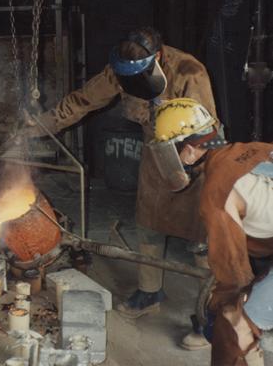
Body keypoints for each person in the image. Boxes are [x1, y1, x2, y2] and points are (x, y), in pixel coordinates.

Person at [23, 26, 217, 349]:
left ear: (157, 58)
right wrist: (41, 125)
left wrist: (188, 157)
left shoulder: (189, 72)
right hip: (157, 152)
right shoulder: (120, 70)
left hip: (197, 158)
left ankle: (211, 316)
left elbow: (208, 129)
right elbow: (83, 100)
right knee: (148, 224)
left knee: (203, 240)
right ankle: (150, 291)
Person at [150, 97, 273, 366]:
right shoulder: (251, 149)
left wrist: (220, 310)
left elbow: (234, 273)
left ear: (191, 150)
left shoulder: (217, 191)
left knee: (233, 325)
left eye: (173, 149)